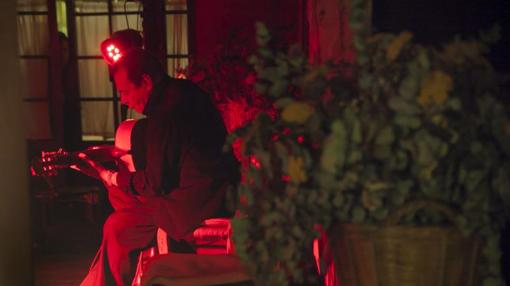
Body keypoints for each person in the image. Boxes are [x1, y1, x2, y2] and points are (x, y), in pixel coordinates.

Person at [78, 48, 239, 286]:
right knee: (120, 199)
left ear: (145, 81)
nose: (123, 99)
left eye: (124, 91)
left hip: (196, 203)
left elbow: (155, 182)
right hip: (218, 189)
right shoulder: (185, 91)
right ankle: (98, 279)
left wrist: (109, 176)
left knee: (117, 225)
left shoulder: (165, 112)